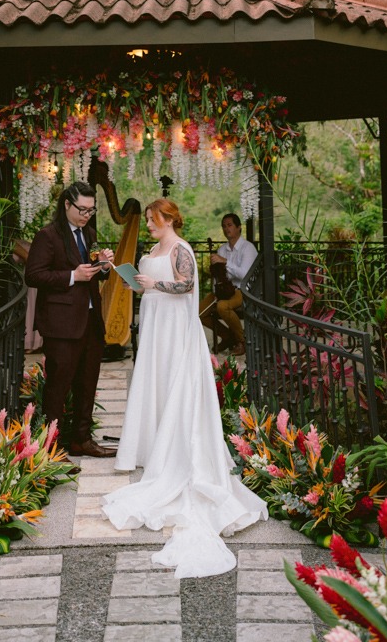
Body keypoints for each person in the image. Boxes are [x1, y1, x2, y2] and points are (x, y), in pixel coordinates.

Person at [102, 198, 267, 578]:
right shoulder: (152, 249)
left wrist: (152, 282)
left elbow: (186, 284)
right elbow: (151, 288)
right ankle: (155, 442)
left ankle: (175, 452)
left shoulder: (181, 249)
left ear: (169, 219)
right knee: (156, 384)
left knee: (176, 386)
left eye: (152, 219)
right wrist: (133, 279)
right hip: (158, 324)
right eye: (146, 220)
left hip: (176, 328)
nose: (148, 225)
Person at [24, 180, 116, 458]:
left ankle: (82, 439)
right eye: (82, 209)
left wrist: (104, 266)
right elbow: (34, 275)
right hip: (61, 324)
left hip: (89, 320)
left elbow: (94, 272)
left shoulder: (88, 233)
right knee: (58, 388)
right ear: (66, 204)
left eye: (91, 210)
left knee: (88, 383)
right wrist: (73, 276)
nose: (87, 215)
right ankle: (52, 449)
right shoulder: (48, 235)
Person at [198, 212, 257, 356]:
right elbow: (219, 276)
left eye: (229, 225)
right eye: (224, 226)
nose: (226, 229)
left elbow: (244, 275)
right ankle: (228, 337)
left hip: (242, 290)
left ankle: (242, 341)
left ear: (239, 227)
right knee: (199, 313)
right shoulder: (222, 249)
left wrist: (225, 262)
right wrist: (216, 289)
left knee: (222, 307)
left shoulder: (248, 248)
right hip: (223, 290)